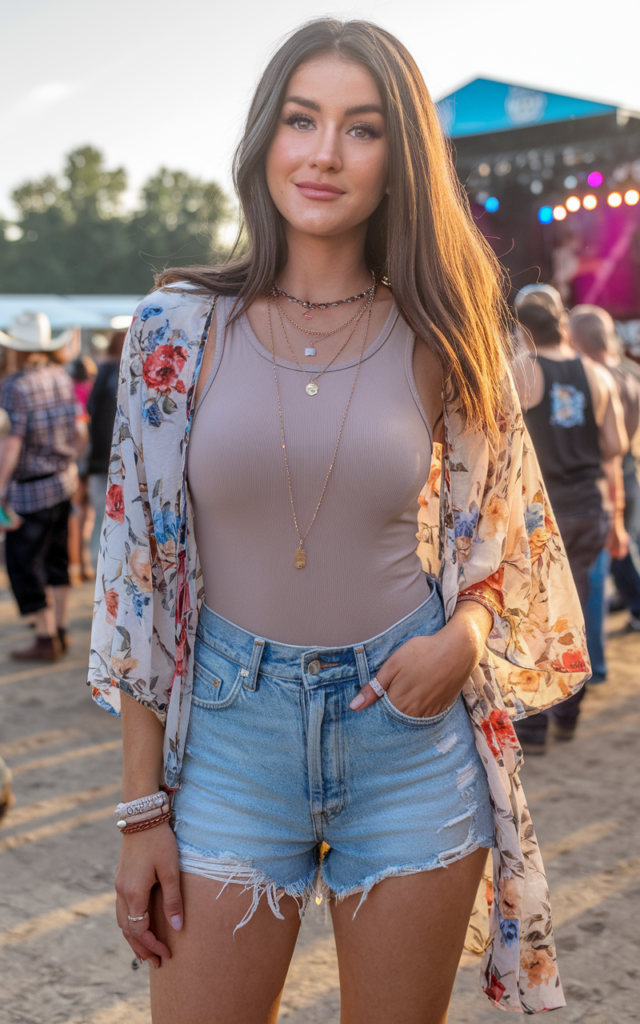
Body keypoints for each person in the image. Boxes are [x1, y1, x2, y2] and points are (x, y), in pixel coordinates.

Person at [88, 20, 589, 1021]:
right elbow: (136, 577)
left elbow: (505, 539)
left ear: (398, 157)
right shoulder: (174, 331)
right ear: (262, 139)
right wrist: (141, 809)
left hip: (409, 742)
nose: (323, 153)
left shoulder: (446, 332)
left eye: (360, 129)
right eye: (300, 120)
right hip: (226, 740)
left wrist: (468, 635)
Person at [512, 286, 626, 751]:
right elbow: (615, 447)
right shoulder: (597, 374)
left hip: (542, 511)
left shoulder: (522, 371)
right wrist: (617, 518)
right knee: (574, 608)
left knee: (537, 616)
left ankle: (536, 725)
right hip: (589, 507)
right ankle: (569, 712)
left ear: (521, 329)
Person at [0, 312, 78, 661]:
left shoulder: (15, 386)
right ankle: (59, 630)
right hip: (63, 480)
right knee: (57, 559)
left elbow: (11, 445)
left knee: (24, 563)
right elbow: (79, 431)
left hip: (30, 490)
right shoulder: (61, 376)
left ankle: (45, 637)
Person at [570, 306, 640, 651]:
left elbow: (604, 442)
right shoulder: (628, 371)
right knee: (624, 549)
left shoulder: (595, 376)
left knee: (613, 554)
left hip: (607, 477)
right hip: (629, 471)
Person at [86, 330, 127, 569]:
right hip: (105, 456)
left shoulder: (114, 370)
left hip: (115, 457)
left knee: (110, 513)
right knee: (104, 512)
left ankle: (103, 560)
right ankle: (98, 560)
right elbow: (91, 408)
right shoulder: (109, 370)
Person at [67, 354, 98, 584]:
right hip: (88, 457)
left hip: (79, 458)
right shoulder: (89, 389)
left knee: (78, 511)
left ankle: (77, 564)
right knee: (86, 512)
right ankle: (81, 563)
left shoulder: (70, 390)